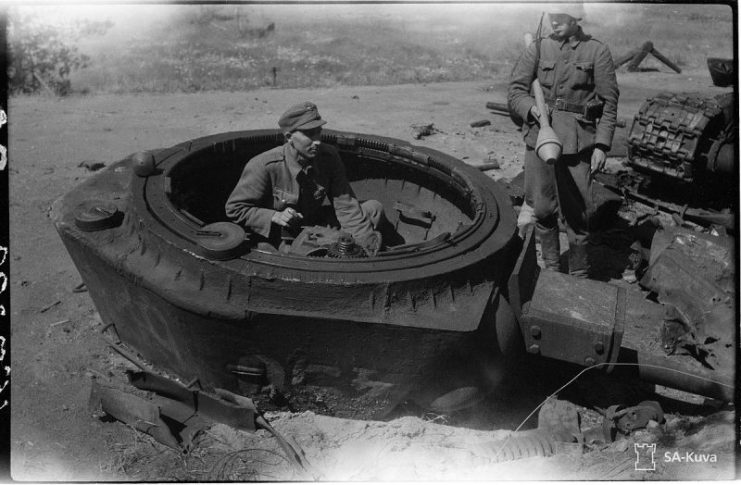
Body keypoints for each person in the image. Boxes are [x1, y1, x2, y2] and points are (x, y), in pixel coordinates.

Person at [508, 4, 619, 277]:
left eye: (561, 18)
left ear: (575, 18)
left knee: (578, 215)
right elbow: (515, 91)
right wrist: (530, 108)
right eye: (551, 17)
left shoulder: (596, 51)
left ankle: (579, 275)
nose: (554, 23)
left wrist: (602, 145)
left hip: (577, 142)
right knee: (543, 210)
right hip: (540, 139)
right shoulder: (538, 48)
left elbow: (609, 102)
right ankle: (552, 272)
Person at [226, 101, 384, 253]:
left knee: (373, 208)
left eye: (319, 132)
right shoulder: (264, 165)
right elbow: (235, 209)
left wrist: (361, 245)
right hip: (281, 236)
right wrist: (274, 216)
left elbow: (346, 206)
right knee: (301, 254)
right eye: (309, 134)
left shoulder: (328, 157)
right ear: (289, 137)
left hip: (314, 227)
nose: (317, 141)